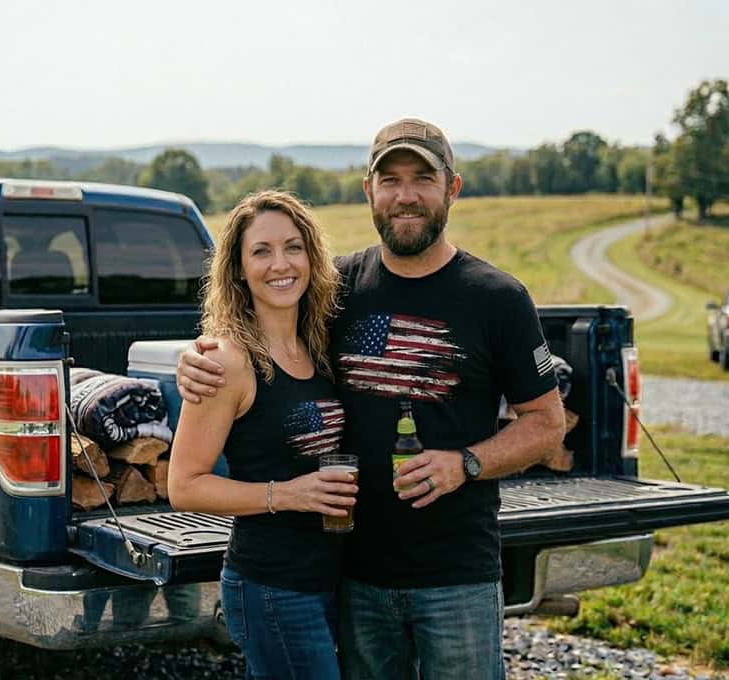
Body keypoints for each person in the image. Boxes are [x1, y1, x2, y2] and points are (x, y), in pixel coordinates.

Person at [177, 119, 567, 680]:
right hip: (356, 577)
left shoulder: (498, 298)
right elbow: (259, 317)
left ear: (451, 189)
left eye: (422, 179)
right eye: (390, 180)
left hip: (455, 575)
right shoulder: (336, 288)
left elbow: (546, 423)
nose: (405, 196)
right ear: (369, 191)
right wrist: (194, 357)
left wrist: (465, 463)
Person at [168, 190, 359, 680]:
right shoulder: (226, 362)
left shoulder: (318, 345)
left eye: (294, 247)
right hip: (273, 586)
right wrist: (288, 495)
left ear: (313, 258)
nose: (281, 264)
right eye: (262, 251)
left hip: (333, 579)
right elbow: (184, 485)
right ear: (237, 269)